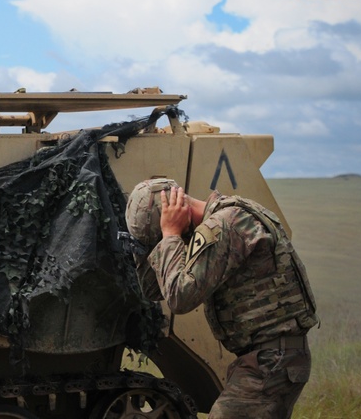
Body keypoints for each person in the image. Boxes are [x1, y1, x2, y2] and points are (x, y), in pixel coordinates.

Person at [125, 178, 318, 419]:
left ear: (177, 208)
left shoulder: (225, 224)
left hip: (272, 362)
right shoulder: (218, 221)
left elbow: (180, 298)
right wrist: (145, 248)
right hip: (268, 360)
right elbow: (154, 291)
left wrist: (170, 235)